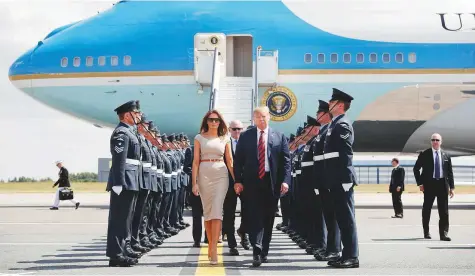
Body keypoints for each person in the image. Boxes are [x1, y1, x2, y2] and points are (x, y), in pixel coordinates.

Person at [233, 106, 291, 267]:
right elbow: (238, 161)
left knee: (268, 218)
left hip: (271, 183)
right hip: (252, 183)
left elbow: (286, 162)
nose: (261, 119)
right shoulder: (246, 137)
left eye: (264, 116)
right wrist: (238, 180)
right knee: (254, 216)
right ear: (254, 118)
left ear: (269, 117)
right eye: (258, 117)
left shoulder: (279, 136)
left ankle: (264, 249)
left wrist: (285, 181)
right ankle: (256, 249)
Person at [191, 109, 234, 265]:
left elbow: (229, 161)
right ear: (206, 121)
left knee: (216, 210)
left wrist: (237, 180)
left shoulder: (225, 138)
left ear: (220, 122)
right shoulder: (199, 138)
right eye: (211, 120)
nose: (214, 122)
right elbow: (195, 162)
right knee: (208, 212)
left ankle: (214, 248)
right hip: (204, 174)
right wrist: (194, 183)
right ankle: (210, 244)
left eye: (217, 120)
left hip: (221, 174)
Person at [323, 88, 359, 268]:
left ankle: (352, 256)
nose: (329, 104)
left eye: (332, 102)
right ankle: (345, 254)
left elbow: (346, 153)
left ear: (340, 105)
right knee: (341, 218)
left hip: (341, 179)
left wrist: (346, 179)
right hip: (335, 178)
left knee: (346, 218)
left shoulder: (342, 124)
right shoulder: (334, 124)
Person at [106, 100, 143, 267]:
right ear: (127, 115)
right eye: (136, 113)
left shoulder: (130, 132)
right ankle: (116, 255)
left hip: (132, 180)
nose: (138, 116)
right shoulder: (121, 132)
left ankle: (124, 249)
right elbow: (119, 159)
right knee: (119, 219)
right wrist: (119, 182)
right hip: (124, 181)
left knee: (127, 219)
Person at [413, 133, 454, 241]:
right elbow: (416, 169)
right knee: (426, 209)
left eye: (437, 140)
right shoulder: (424, 154)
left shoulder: (446, 155)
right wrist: (420, 183)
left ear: (441, 142)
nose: (435, 142)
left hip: (442, 185)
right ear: (431, 142)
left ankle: (443, 234)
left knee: (444, 211)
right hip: (429, 185)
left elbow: (450, 173)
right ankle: (426, 232)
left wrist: (452, 188)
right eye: (433, 140)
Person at [223, 120, 250, 256]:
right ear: (229, 130)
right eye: (234, 129)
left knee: (248, 212)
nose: (237, 132)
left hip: (245, 184)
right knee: (229, 214)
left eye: (239, 129)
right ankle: (232, 245)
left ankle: (243, 232)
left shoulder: (247, 144)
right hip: (229, 184)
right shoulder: (224, 144)